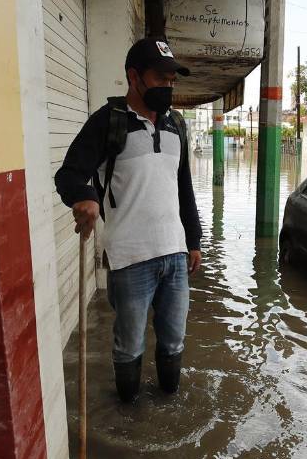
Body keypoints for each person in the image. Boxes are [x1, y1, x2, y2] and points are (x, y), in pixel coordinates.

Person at [54, 38, 203, 403]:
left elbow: (183, 188)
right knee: (129, 347)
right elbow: (69, 174)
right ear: (134, 77)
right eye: (160, 78)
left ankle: (168, 406)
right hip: (129, 259)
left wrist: (194, 240)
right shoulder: (109, 122)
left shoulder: (176, 128)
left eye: (172, 80)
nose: (168, 86)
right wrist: (86, 198)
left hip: (175, 256)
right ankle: (129, 413)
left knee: (173, 342)